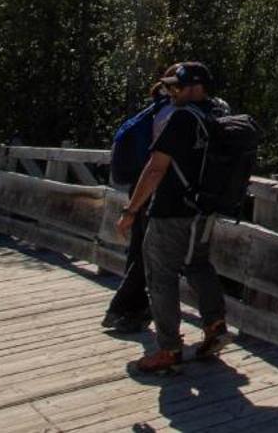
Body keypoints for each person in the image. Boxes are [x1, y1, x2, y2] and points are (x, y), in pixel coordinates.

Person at [115, 61, 231, 376]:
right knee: (198, 265)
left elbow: (155, 168)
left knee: (160, 276)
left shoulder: (181, 119)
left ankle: (168, 349)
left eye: (177, 86)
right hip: (204, 211)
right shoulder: (220, 115)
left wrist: (131, 211)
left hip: (172, 212)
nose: (171, 91)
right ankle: (215, 325)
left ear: (195, 87)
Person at [101, 75, 172, 332]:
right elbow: (159, 164)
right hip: (154, 189)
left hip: (139, 186)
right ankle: (121, 308)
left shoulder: (153, 113)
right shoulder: (171, 115)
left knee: (138, 250)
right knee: (147, 252)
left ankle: (134, 310)